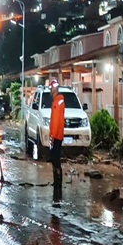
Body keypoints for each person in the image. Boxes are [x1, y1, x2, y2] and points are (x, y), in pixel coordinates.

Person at [48, 79, 65, 207]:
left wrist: (52, 136)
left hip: (56, 136)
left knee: (55, 159)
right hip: (56, 135)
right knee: (54, 159)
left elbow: (56, 121)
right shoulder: (58, 101)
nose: (50, 91)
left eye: (51, 89)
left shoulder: (57, 101)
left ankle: (58, 182)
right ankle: (57, 182)